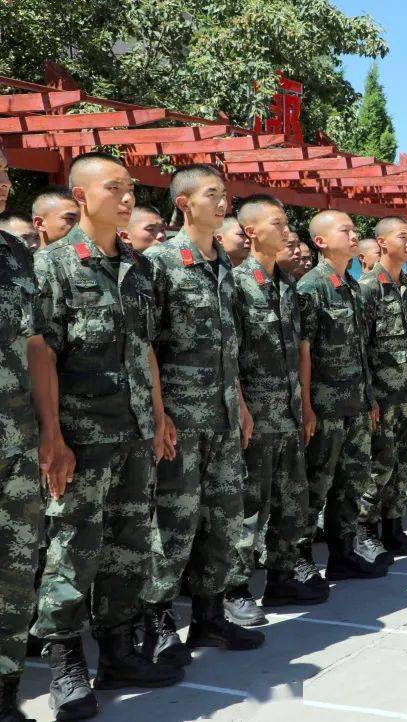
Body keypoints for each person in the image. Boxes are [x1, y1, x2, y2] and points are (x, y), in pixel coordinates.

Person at [32, 152, 182, 719]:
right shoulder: (53, 267)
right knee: (72, 548)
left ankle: (118, 651)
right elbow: (41, 351)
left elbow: (145, 350)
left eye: (130, 189)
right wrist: (53, 434)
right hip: (81, 435)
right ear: (80, 197)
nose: (126, 198)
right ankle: (66, 664)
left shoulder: (138, 269)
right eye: (113, 188)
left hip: (135, 431)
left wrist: (159, 415)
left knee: (128, 544)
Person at [141, 164, 263, 667]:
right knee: (173, 520)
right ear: (185, 202)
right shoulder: (159, 262)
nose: (223, 203)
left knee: (224, 518)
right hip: (180, 417)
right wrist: (158, 412)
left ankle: (210, 615)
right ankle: (157, 619)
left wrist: (242, 403)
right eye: (213, 194)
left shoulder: (224, 268)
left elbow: (228, 347)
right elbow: (144, 343)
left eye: (226, 195)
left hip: (223, 414)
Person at [223, 195, 326, 628]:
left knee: (291, 499)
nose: (288, 232)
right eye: (279, 224)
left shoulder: (286, 286)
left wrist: (303, 404)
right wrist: (242, 409)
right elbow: (228, 355)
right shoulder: (233, 284)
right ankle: (235, 588)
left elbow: (298, 351)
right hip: (254, 418)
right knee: (248, 503)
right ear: (251, 232)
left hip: (286, 412)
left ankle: (283, 574)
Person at [0, 147, 76, 722]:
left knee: (16, 569)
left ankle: (5, 692)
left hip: (18, 438)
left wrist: (50, 432)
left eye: (4, 173)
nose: (4, 183)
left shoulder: (14, 257)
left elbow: (36, 348)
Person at [298, 210, 390, 580]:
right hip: (325, 406)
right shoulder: (311, 287)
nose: (355, 235)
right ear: (321, 241)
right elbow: (303, 351)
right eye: (345, 230)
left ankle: (343, 552)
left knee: (351, 482)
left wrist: (369, 399)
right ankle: (300, 558)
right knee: (316, 486)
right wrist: (306, 406)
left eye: (355, 229)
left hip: (354, 402)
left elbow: (360, 349)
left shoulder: (350, 286)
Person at [356, 217, 407, 549]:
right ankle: (365, 532)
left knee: (403, 463)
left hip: (406, 393)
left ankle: (394, 528)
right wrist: (369, 397)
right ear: (382, 242)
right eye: (403, 236)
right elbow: (360, 348)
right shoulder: (369, 287)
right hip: (381, 397)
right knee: (378, 466)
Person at [31, 187, 80, 251]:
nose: (79, 226)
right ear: (40, 224)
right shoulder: (30, 260)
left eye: (80, 220)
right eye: (70, 219)